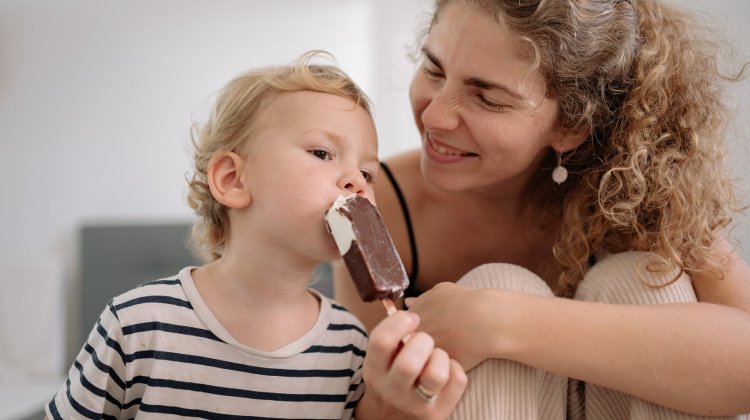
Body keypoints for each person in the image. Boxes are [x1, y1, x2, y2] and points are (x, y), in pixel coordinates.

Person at [333, 0, 750, 418]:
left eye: (488, 98)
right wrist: (385, 402)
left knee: (643, 279)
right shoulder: (377, 202)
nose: (435, 116)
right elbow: (362, 402)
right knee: (500, 281)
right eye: (434, 70)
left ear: (570, 126)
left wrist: (496, 320)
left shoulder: (640, 193)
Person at [45, 50, 466, 420]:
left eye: (368, 172)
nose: (356, 180)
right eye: (322, 153)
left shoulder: (352, 347)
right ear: (232, 180)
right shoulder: (137, 323)